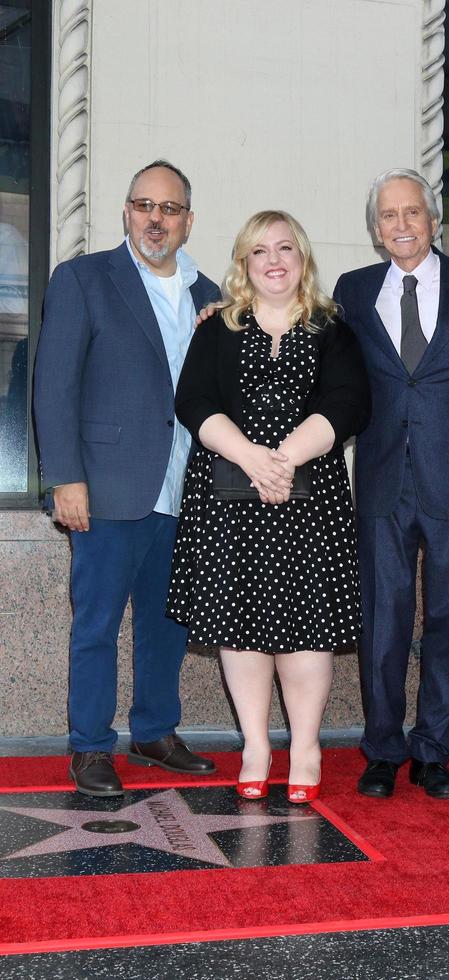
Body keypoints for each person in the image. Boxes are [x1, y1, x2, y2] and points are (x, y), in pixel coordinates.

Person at [167, 210, 371, 803]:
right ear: (244, 264)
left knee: (307, 629)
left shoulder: (331, 326)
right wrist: (252, 460)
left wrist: (281, 459)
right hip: (230, 501)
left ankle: (305, 746)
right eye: (260, 251)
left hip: (312, 501)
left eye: (286, 248)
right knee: (243, 628)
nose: (274, 260)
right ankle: (256, 744)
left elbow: (350, 402)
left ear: (303, 258)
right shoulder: (217, 328)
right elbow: (194, 401)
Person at [33, 160, 221, 796]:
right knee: (98, 623)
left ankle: (154, 732)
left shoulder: (210, 295)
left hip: (184, 489)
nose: (156, 219)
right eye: (145, 205)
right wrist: (65, 477)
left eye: (169, 209)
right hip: (108, 488)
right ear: (126, 212)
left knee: (167, 623)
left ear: (188, 221)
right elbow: (53, 385)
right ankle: (89, 745)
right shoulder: (84, 279)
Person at [334, 169, 449, 800]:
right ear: (376, 230)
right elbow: (312, 347)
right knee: (384, 620)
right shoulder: (351, 291)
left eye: (412, 213)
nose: (401, 224)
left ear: (432, 220)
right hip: (379, 481)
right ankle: (382, 750)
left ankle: (434, 751)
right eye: (388, 216)